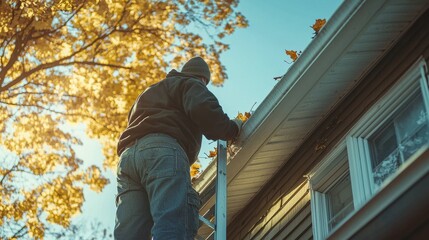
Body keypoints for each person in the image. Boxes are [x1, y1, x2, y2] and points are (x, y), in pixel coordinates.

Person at [114, 57, 243, 240]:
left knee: (129, 234)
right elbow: (204, 110)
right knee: (171, 225)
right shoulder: (190, 84)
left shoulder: (148, 92)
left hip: (127, 160)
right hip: (163, 153)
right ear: (202, 79)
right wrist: (232, 128)